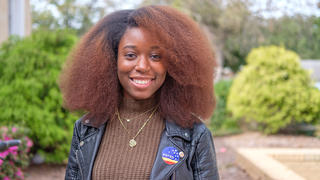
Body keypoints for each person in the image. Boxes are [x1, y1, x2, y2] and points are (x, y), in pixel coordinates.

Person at [60, 5, 219, 180]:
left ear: (173, 64)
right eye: (130, 55)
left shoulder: (193, 135)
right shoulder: (86, 129)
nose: (142, 66)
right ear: (111, 60)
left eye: (156, 56)